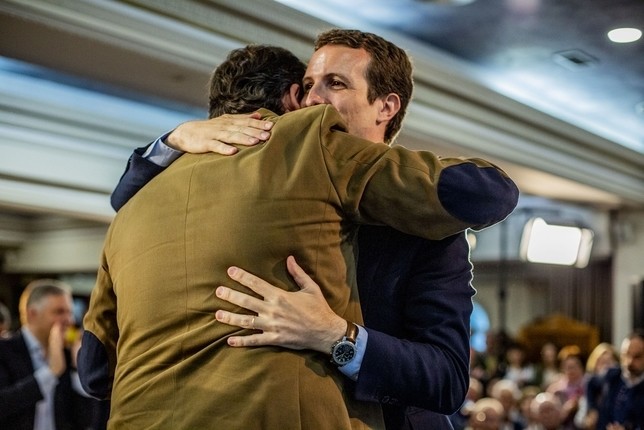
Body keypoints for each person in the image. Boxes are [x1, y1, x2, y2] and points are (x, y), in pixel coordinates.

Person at [107, 30, 519, 429]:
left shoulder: (425, 224)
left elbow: (446, 380)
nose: (313, 100)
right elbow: (124, 198)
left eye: (335, 84)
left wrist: (338, 337)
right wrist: (173, 139)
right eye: (307, 85)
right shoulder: (272, 185)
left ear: (386, 106)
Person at [0, 279, 105, 430]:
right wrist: (51, 373)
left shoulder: (67, 355)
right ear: (32, 314)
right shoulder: (5, 350)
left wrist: (78, 370)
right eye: (59, 312)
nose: (69, 320)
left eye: (69, 312)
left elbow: (86, 421)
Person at [586, 330, 644, 430]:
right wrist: (592, 409)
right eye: (626, 355)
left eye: (637, 357)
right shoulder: (612, 375)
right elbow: (590, 382)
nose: (630, 361)